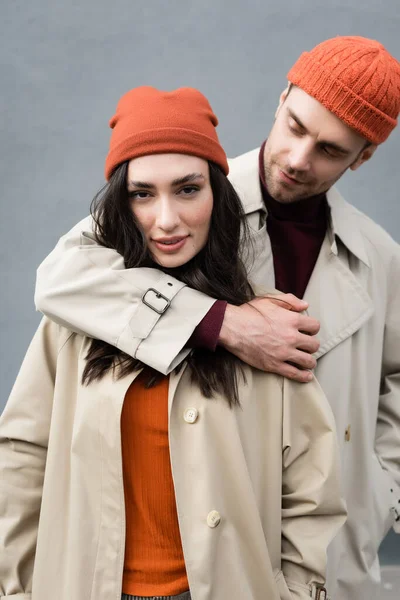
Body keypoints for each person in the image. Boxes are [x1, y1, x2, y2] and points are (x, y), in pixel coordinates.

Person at [33, 35, 400, 599]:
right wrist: (223, 323)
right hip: (219, 543)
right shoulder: (189, 194)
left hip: (333, 547)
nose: (299, 160)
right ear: (282, 100)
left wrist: (383, 492)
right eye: (297, 127)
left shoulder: (379, 257)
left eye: (330, 149)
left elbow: (394, 383)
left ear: (364, 155)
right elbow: (63, 276)